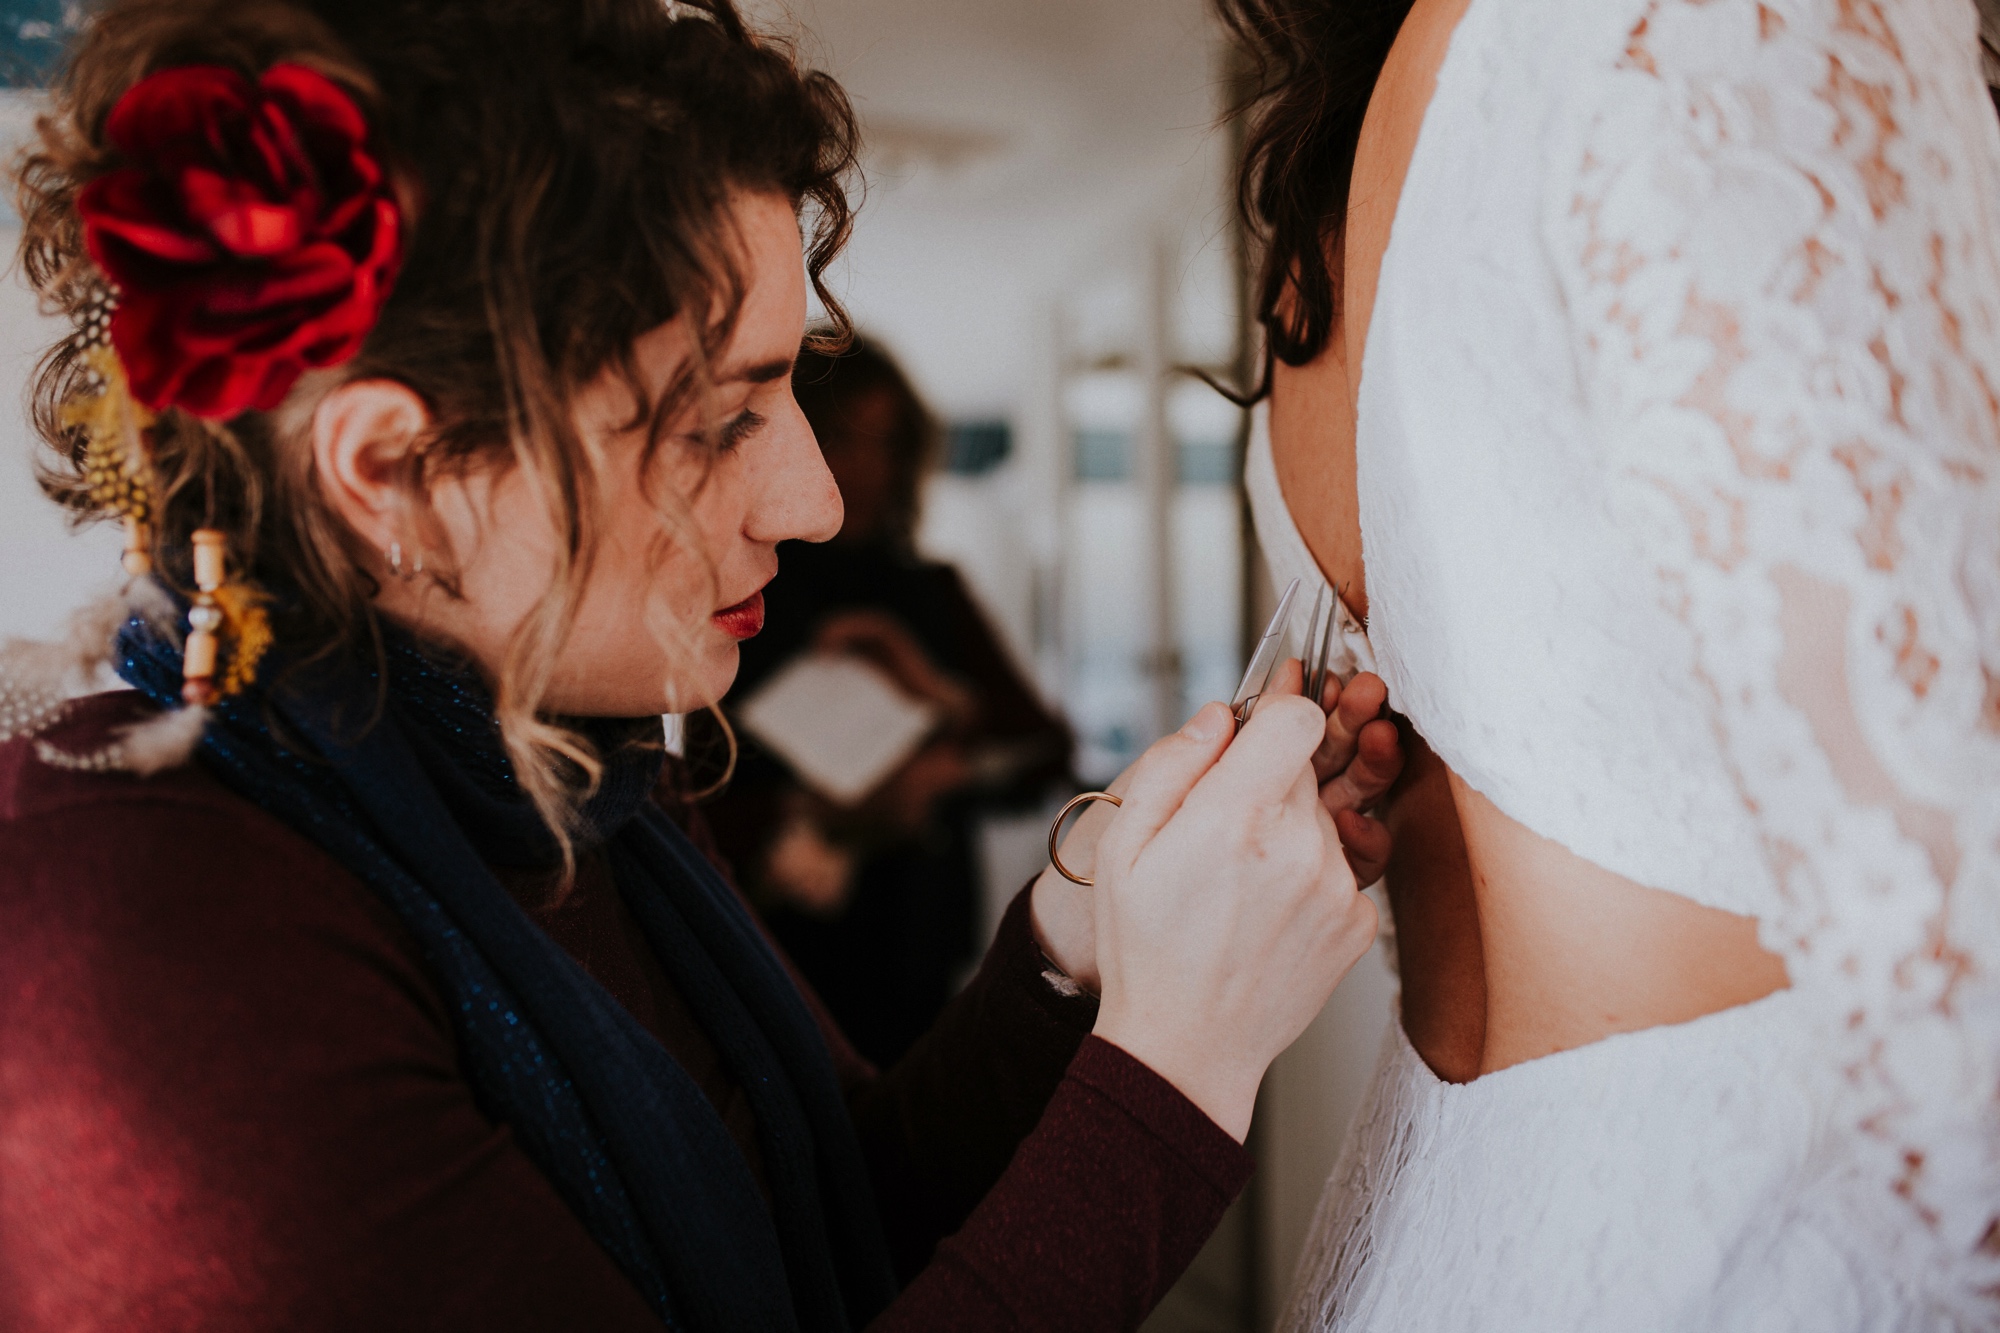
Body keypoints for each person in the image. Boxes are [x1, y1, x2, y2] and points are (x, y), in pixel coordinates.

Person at [0, 1, 1404, 1329]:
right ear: (400, 473)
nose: (815, 499)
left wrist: (1085, 936)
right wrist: (1178, 1068)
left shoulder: (572, 768)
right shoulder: (141, 944)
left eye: (797, 385)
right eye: (720, 422)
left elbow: (844, 1216)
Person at [1215, 0, 2000, 1327]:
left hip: (1455, 1219)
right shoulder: (1713, 27)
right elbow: (1954, 932)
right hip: (1767, 1225)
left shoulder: (1343, 201)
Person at [704, 337, 1073, 1067]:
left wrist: (943, 716)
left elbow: (1044, 752)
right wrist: (813, 815)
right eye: (844, 438)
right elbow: (689, 789)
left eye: (888, 444)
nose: (867, 469)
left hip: (918, 937)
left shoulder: (932, 592)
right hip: (767, 939)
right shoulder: (740, 591)